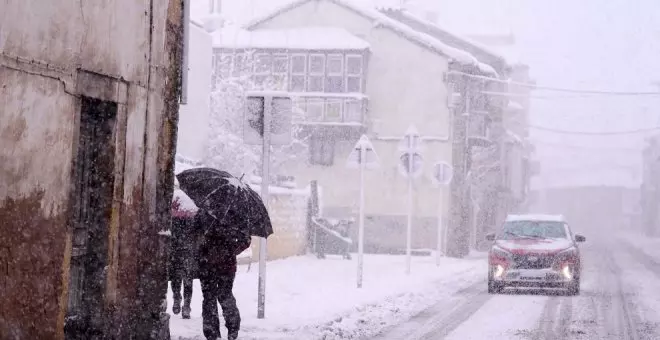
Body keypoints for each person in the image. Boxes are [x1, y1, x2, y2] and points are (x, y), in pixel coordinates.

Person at [195, 208, 251, 340]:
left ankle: (213, 332)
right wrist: (232, 250)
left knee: (211, 297)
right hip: (223, 264)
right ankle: (231, 328)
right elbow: (246, 240)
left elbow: (192, 234)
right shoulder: (235, 213)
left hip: (209, 263)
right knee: (223, 295)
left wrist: (203, 246)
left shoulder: (204, 210)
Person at [170, 198, 198, 319]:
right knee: (183, 279)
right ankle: (183, 303)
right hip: (182, 251)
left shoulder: (177, 203)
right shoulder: (192, 207)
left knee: (182, 278)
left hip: (182, 251)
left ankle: (182, 302)